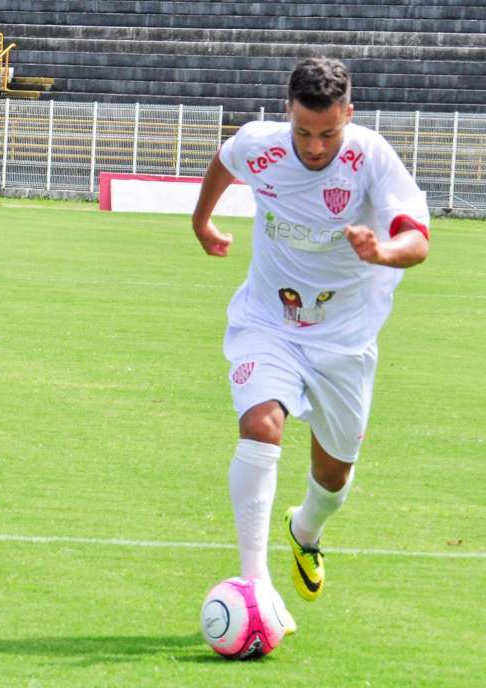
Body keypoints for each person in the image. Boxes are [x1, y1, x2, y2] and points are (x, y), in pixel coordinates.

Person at [191, 57, 429, 623]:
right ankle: (255, 588)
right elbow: (224, 163)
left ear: (349, 113)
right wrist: (202, 222)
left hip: (345, 341)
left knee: (334, 476)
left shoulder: (371, 157)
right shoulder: (261, 145)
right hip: (267, 323)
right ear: (287, 115)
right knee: (260, 424)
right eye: (303, 131)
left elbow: (416, 241)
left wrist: (382, 252)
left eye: (327, 132)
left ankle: (306, 529)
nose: (315, 146)